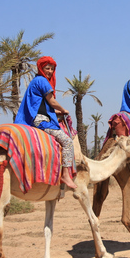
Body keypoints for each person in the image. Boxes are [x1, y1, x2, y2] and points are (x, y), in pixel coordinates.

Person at [15, 56, 77, 189]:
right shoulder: (42, 81)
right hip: (41, 121)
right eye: (47, 68)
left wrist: (56, 112)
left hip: (39, 118)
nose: (49, 71)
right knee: (67, 141)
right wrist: (63, 109)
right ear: (41, 69)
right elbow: (52, 102)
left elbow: (42, 104)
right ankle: (65, 174)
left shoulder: (36, 81)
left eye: (52, 69)